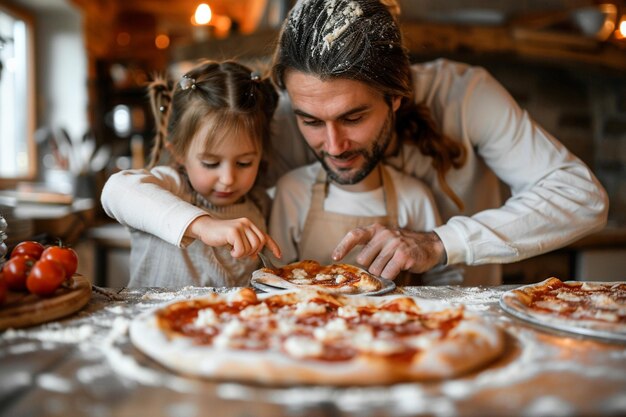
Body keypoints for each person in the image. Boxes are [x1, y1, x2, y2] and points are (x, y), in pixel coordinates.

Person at [266, 0, 609, 285]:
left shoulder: (465, 95)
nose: (334, 145)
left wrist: (439, 242)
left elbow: (581, 196)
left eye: (353, 118)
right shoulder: (286, 114)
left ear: (396, 97)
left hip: (464, 329)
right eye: (310, 121)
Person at [101, 60, 281, 287]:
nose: (228, 179)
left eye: (244, 163)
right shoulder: (172, 187)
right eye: (210, 163)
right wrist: (204, 225)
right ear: (178, 152)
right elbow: (115, 191)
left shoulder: (259, 205)